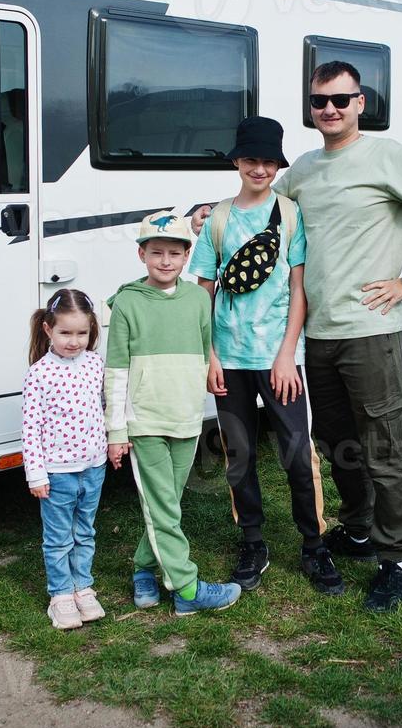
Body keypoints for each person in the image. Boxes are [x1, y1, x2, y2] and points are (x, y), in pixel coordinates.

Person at [278, 60, 402, 612]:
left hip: (372, 331)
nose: (330, 109)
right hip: (319, 332)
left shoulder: (387, 156)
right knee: (339, 444)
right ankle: (359, 532)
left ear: (361, 102)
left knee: (385, 448)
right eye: (320, 101)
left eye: (341, 99)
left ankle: (396, 562)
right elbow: (265, 204)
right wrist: (206, 214)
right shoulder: (306, 168)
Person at [191, 116, 343, 596]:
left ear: (278, 166)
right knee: (238, 455)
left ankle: (314, 544)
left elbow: (299, 290)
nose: (260, 169)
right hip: (228, 361)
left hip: (278, 358)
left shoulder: (291, 214)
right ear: (237, 162)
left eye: (269, 162)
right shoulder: (217, 219)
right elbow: (203, 293)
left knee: (298, 452)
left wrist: (285, 357)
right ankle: (252, 541)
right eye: (251, 160)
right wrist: (210, 356)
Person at [104, 211, 243, 616]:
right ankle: (186, 589)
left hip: (186, 418)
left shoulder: (199, 299)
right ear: (141, 254)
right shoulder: (128, 301)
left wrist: (208, 385)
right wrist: (116, 431)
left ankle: (144, 571)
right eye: (157, 253)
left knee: (167, 504)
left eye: (175, 254)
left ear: (186, 258)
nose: (165, 261)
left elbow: (205, 352)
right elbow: (115, 371)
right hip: (145, 421)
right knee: (162, 503)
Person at [22, 288, 108, 631]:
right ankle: (60, 594)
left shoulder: (96, 364)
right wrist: (36, 474)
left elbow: (103, 407)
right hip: (57, 473)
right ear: (48, 330)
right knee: (58, 536)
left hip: (93, 466)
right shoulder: (40, 374)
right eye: (65, 333)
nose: (74, 341)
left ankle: (82, 587)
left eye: (81, 333)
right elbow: (30, 428)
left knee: (85, 531)